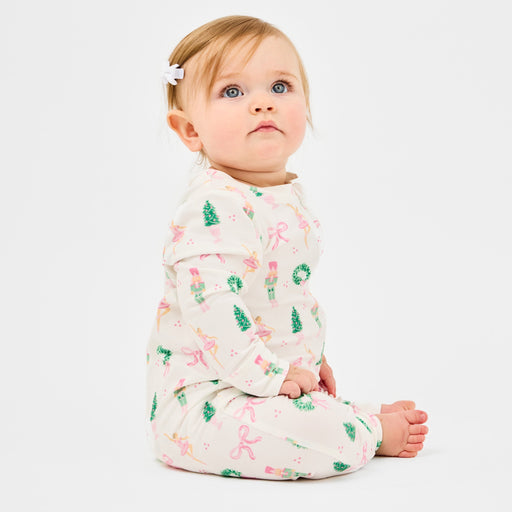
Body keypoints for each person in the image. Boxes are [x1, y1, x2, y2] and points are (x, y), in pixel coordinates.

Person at [146, 15, 428, 480]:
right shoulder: (212, 205)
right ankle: (365, 429)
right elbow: (213, 308)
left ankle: (338, 412)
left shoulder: (281, 195)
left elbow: (282, 300)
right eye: (232, 91)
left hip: (259, 382)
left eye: (280, 87)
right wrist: (272, 375)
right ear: (190, 130)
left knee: (301, 416)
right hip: (204, 408)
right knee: (317, 436)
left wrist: (309, 361)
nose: (263, 104)